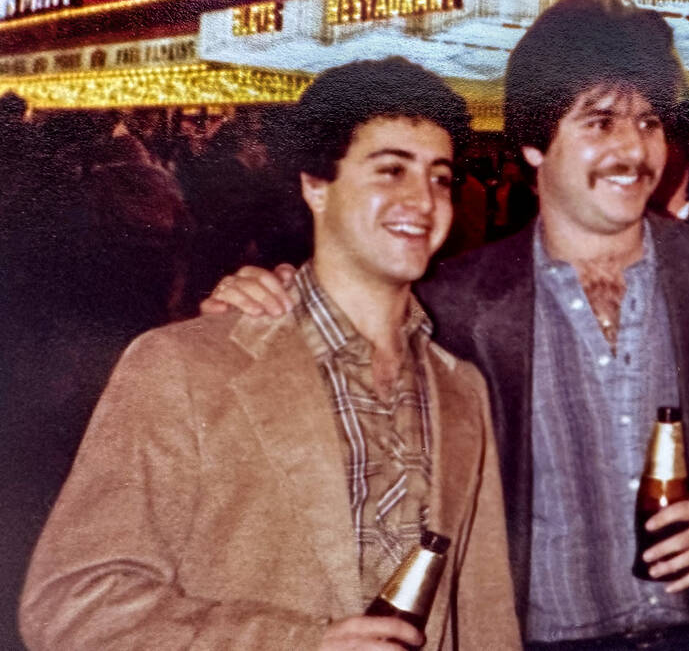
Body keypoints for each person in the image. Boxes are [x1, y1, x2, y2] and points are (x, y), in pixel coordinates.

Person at [209, 0, 689, 650]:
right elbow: (345, 326)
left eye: (650, 120)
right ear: (535, 144)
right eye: (600, 123)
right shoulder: (456, 300)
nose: (634, 148)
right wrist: (269, 296)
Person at [20, 58, 520, 651]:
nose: (423, 199)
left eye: (440, 176)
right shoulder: (182, 365)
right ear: (316, 186)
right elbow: (75, 602)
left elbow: (484, 612)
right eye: (390, 170)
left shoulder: (461, 387)